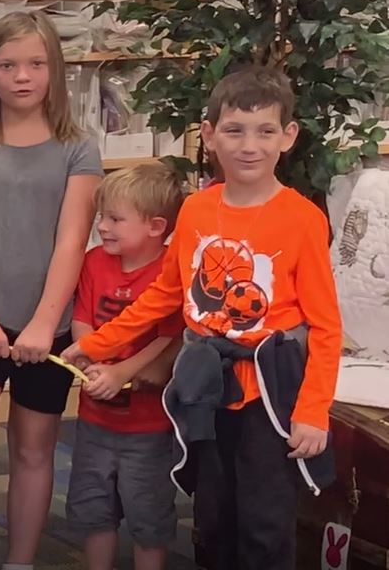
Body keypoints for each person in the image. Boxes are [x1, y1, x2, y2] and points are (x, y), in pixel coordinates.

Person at [64, 66, 341, 570]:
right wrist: (98, 343)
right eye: (234, 130)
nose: (249, 145)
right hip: (203, 387)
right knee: (211, 515)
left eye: (265, 131)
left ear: (288, 137)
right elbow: (165, 296)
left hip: (270, 392)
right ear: (209, 135)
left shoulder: (303, 218)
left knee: (264, 522)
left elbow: (325, 324)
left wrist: (313, 410)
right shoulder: (195, 209)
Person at [0, 11, 102, 570]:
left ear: (54, 71)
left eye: (35, 64)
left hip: (48, 324)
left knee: (33, 450)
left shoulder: (79, 148)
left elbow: (71, 242)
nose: (22, 76)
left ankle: (22, 559)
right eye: (8, 65)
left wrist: (42, 324)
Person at [63, 164, 187, 570]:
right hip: (94, 422)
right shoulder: (95, 262)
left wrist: (122, 373)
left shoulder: (171, 270)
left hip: (148, 429)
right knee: (92, 509)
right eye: (102, 217)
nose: (102, 227)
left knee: (149, 516)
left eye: (115, 219)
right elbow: (82, 321)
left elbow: (168, 337)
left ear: (155, 226)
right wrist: (97, 362)